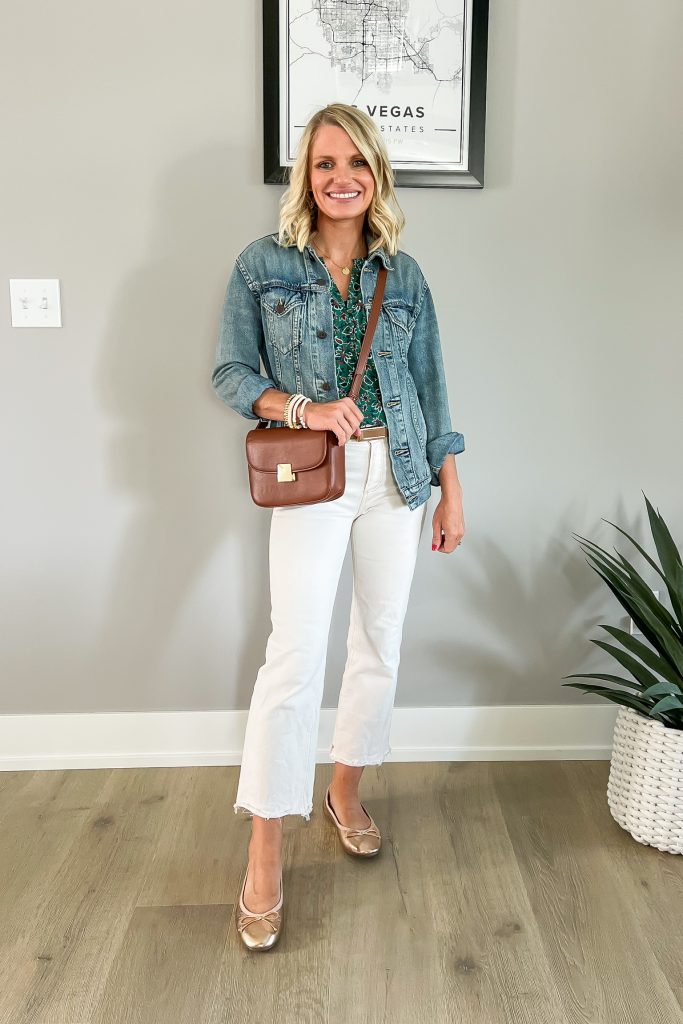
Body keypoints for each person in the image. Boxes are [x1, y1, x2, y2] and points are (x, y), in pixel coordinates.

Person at [212, 102, 465, 950]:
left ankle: (345, 788)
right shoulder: (264, 265)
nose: (341, 177)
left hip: (398, 477)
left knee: (380, 640)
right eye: (324, 163)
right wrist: (305, 407)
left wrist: (449, 487)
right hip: (312, 478)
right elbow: (229, 372)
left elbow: (430, 390)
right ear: (305, 176)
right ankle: (265, 844)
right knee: (292, 655)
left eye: (355, 162)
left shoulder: (407, 274)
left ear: (376, 173)